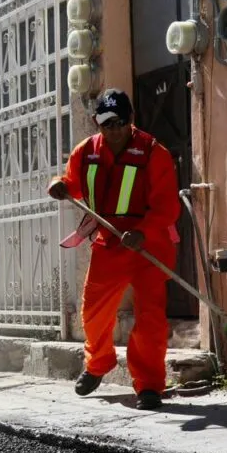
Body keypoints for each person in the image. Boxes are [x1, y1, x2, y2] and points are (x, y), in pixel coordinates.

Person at [47, 88, 181, 410]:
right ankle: (98, 364)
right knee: (93, 313)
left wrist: (141, 231)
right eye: (107, 123)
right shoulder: (86, 152)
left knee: (150, 320)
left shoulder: (153, 152)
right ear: (97, 122)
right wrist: (58, 185)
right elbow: (72, 183)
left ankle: (149, 385)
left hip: (148, 246)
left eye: (120, 122)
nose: (113, 129)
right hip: (110, 244)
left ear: (131, 120)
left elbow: (167, 207)